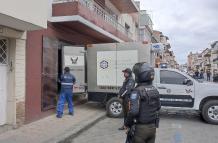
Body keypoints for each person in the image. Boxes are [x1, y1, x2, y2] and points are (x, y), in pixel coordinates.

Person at [125, 63, 161, 143]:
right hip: (152, 128)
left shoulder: (137, 91)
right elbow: (158, 107)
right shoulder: (154, 89)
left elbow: (133, 111)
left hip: (140, 130)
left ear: (140, 76)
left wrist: (127, 124)